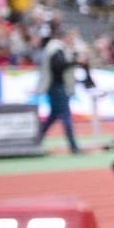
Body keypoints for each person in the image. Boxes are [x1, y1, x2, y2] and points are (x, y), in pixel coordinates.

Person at [36, 25, 80, 154]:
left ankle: (36, 139)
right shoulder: (56, 48)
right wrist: (74, 60)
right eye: (72, 37)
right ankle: (73, 146)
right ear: (66, 37)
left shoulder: (60, 49)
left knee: (53, 116)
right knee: (66, 116)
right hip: (57, 87)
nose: (73, 40)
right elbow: (58, 66)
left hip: (56, 86)